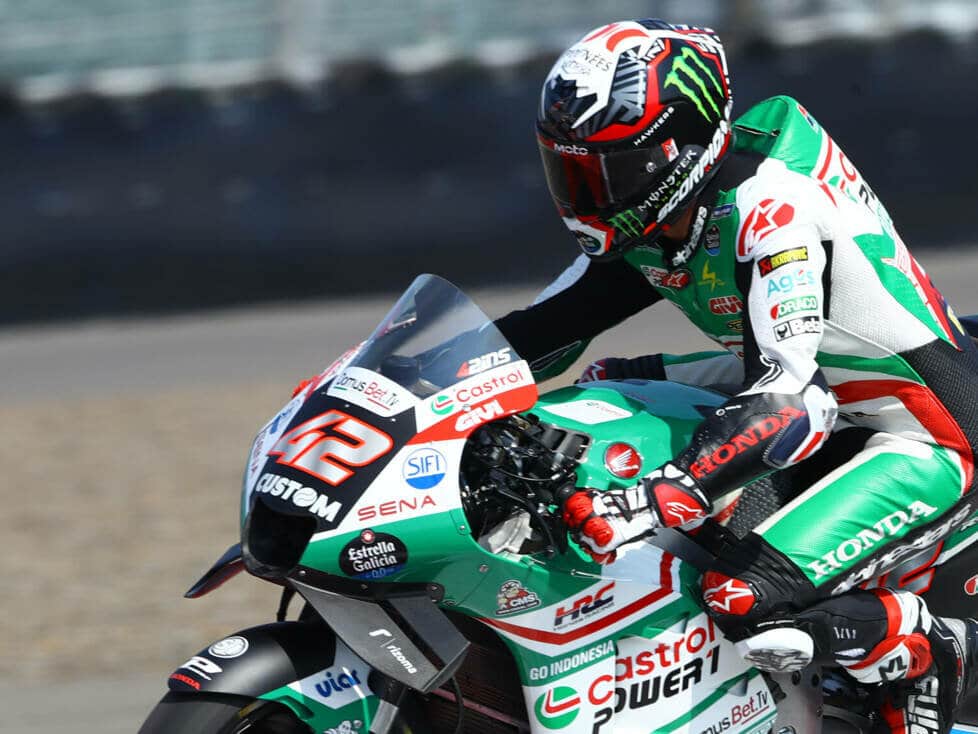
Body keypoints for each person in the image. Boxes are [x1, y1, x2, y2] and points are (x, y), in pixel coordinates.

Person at [493, 18, 978, 734]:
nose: (586, 196)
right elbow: (537, 332)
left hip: (921, 429)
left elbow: (792, 402)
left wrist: (657, 497)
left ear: (676, 154)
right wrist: (385, 389)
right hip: (824, 397)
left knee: (741, 594)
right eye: (571, 173)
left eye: (608, 171)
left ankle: (921, 645)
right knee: (605, 386)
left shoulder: (770, 209)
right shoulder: (651, 220)